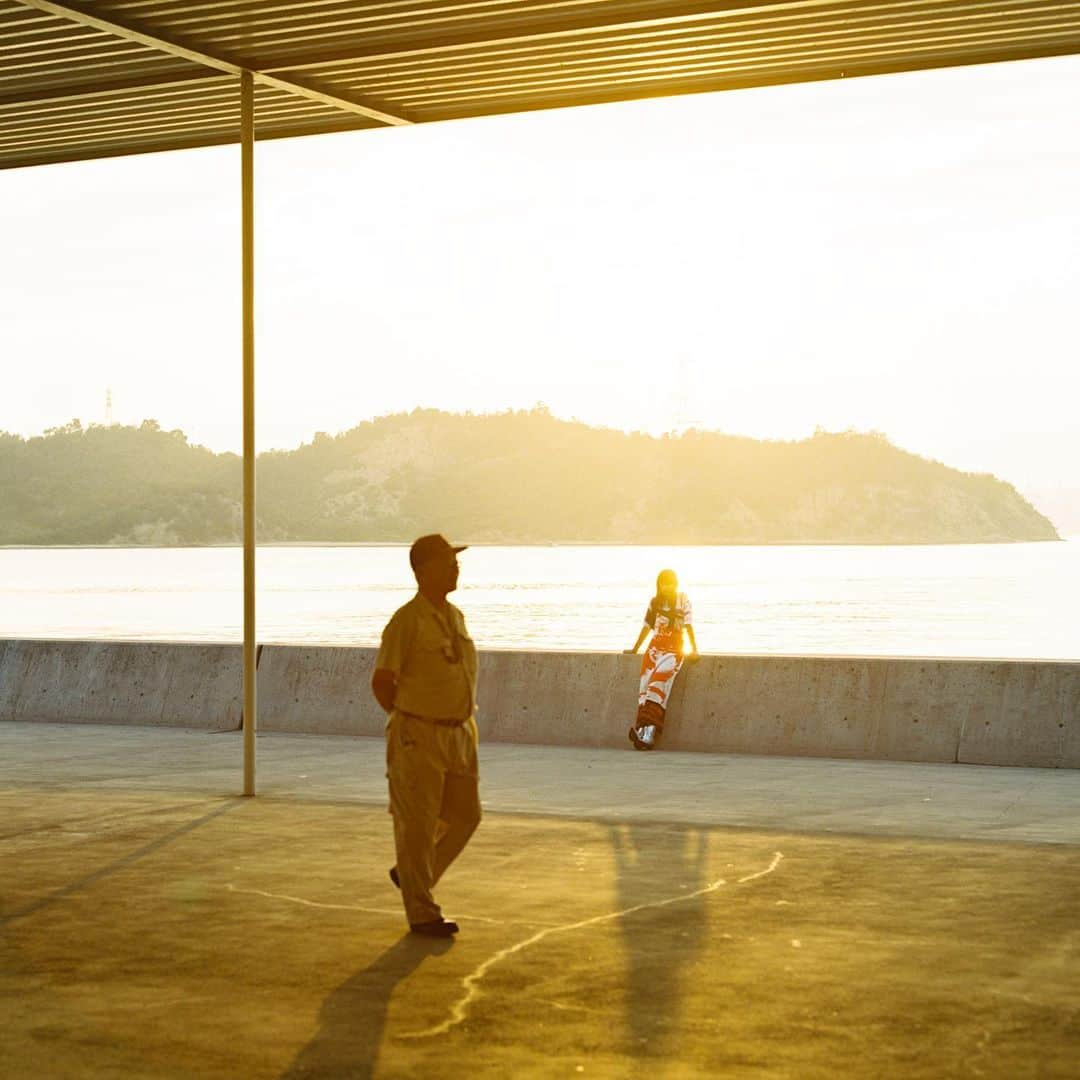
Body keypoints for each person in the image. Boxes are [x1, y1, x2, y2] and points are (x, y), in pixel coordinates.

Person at [371, 534, 481, 938]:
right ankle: (422, 912)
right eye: (448, 562)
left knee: (466, 815)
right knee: (416, 825)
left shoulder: (454, 617)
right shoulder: (407, 621)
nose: (456, 568)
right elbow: (382, 681)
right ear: (423, 570)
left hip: (459, 734)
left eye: (456, 562)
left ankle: (413, 875)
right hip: (419, 733)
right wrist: (410, 722)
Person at [624, 569, 699, 750]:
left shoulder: (683, 600)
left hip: (673, 652)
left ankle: (649, 735)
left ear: (676, 584)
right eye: (664, 583)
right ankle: (642, 733)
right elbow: (647, 627)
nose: (668, 587)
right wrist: (635, 649)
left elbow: (688, 625)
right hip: (653, 651)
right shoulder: (654, 602)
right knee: (644, 690)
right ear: (659, 585)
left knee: (657, 688)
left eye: (671, 583)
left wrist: (694, 649)